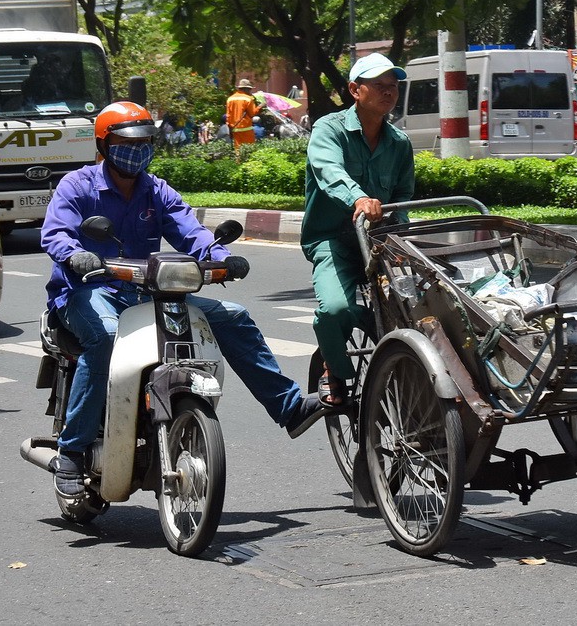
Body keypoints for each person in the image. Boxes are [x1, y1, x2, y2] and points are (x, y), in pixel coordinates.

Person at [40, 101, 329, 497]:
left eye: (144, 142)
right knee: (105, 338)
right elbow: (56, 233)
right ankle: (71, 452)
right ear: (104, 145)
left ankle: (289, 407)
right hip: (86, 291)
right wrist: (76, 254)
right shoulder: (78, 185)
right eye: (127, 142)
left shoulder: (156, 190)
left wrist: (222, 258)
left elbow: (192, 232)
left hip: (145, 291)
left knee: (233, 315)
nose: (136, 150)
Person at [301, 53, 415, 405]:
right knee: (336, 310)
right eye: (379, 86)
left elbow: (403, 198)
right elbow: (329, 171)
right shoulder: (328, 130)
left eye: (393, 87)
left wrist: (402, 243)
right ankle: (334, 368)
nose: (388, 93)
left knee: (419, 308)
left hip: (379, 242)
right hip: (332, 239)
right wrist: (359, 199)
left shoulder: (399, 143)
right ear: (355, 89)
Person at [225, 78, 261, 148]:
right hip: (246, 128)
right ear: (246, 89)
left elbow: (228, 115)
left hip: (234, 128)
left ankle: (239, 159)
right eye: (250, 89)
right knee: (249, 148)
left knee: (238, 149)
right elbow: (252, 114)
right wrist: (259, 107)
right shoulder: (248, 99)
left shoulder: (230, 99)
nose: (250, 91)